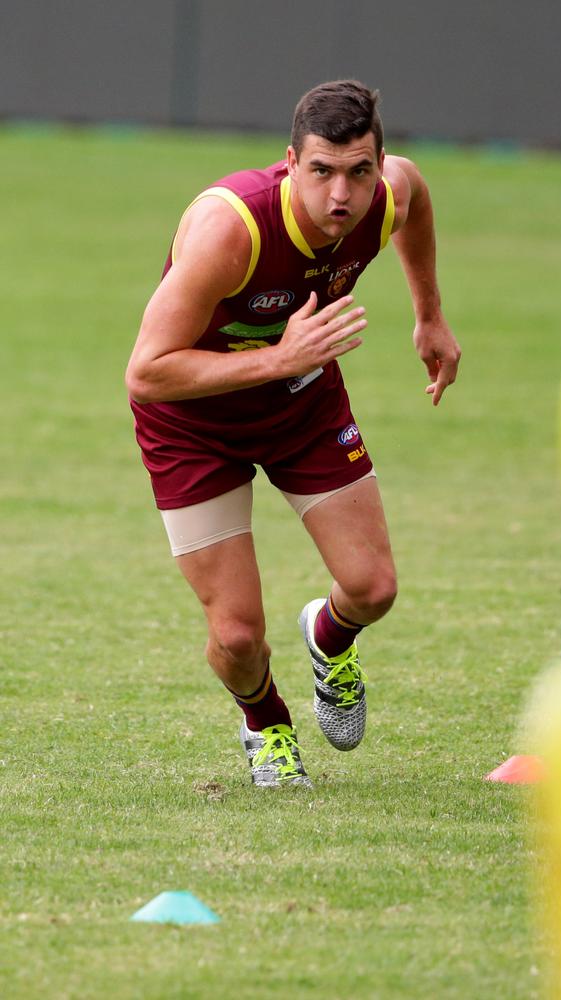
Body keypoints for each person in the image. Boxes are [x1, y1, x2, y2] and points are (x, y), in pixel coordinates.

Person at [126, 79, 461, 788]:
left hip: (302, 407)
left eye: (359, 171)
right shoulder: (234, 229)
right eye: (322, 171)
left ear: (377, 164)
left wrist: (429, 315)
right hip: (193, 428)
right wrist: (280, 357)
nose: (341, 194)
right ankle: (265, 723)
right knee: (239, 636)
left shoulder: (387, 193)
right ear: (290, 162)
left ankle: (328, 639)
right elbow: (147, 372)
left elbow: (418, 200)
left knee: (372, 589)